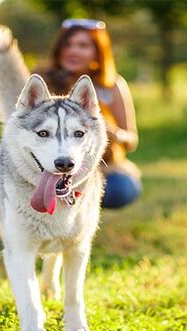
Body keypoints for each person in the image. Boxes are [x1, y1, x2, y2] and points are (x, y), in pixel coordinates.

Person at [36, 19, 141, 209]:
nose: (73, 51)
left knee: (121, 189)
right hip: (51, 163)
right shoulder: (43, 83)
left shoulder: (111, 86)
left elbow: (131, 139)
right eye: (68, 44)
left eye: (83, 45)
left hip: (104, 166)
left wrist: (113, 134)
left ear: (97, 52)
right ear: (59, 49)